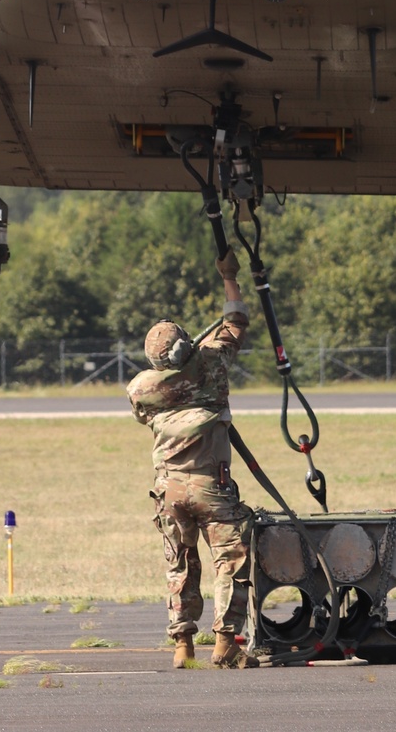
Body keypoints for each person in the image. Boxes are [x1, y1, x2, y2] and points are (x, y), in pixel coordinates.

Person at [126, 247, 257, 670]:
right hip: (210, 484)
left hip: (167, 488)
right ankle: (225, 642)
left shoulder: (143, 390)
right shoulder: (213, 364)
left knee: (179, 564)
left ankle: (182, 644)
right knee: (231, 561)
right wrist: (228, 276)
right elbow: (235, 322)